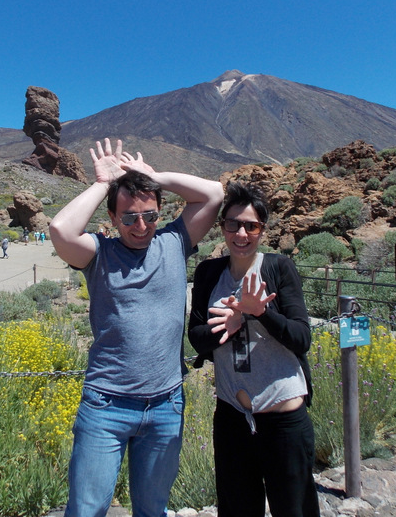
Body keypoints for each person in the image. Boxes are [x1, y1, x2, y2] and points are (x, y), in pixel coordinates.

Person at [49, 138, 223, 517]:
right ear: (113, 218)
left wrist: (152, 176)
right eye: (128, 217)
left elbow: (213, 194)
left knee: (152, 510)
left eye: (149, 215)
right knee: (86, 510)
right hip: (106, 405)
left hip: (166, 404)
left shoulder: (175, 242)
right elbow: (61, 230)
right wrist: (102, 185)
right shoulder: (100, 253)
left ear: (160, 212)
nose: (140, 226)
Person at [188, 182, 319, 517]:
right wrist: (229, 328)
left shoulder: (277, 269)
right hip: (232, 420)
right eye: (233, 224)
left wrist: (259, 313)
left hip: (283, 421)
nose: (241, 233)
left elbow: (301, 338)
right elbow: (197, 337)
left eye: (251, 226)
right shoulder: (209, 273)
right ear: (223, 228)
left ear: (262, 230)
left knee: (295, 510)